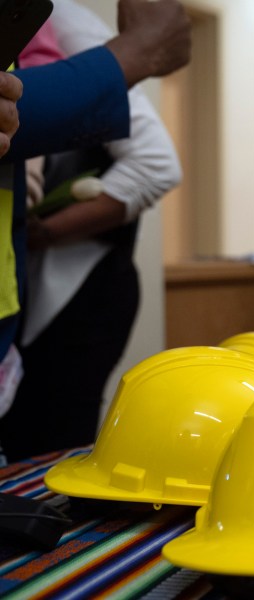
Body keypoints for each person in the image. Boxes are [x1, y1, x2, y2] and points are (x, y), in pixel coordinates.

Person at [0, 0, 191, 445]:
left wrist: (48, 231)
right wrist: (133, 54)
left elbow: (157, 165)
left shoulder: (55, 17)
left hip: (79, 286)